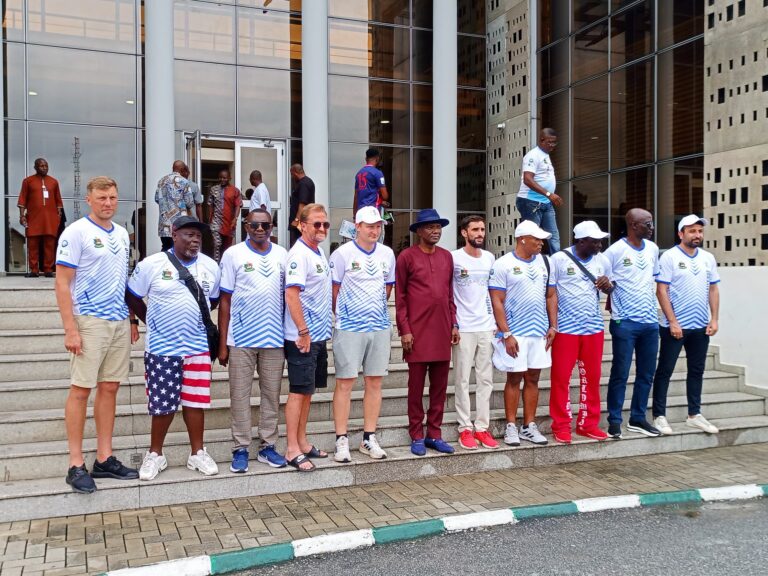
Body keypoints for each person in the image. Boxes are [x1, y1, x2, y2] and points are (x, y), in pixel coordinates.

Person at [55, 176, 138, 493]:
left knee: (110, 387)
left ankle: (104, 458)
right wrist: (70, 329)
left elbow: (122, 279)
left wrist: (131, 319)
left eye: (113, 197)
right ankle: (75, 464)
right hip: (89, 321)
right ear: (88, 200)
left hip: (117, 320)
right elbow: (62, 282)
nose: (108, 203)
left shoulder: (121, 234)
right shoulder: (76, 232)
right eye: (102, 198)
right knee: (80, 390)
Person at [126, 216, 221, 481]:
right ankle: (155, 454)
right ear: (174, 234)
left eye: (198, 236)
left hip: (198, 347)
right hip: (162, 348)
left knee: (195, 402)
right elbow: (132, 295)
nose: (195, 241)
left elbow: (212, 301)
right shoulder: (152, 264)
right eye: (189, 235)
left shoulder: (210, 266)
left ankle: (197, 453)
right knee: (163, 404)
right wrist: (150, 320)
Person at [218, 209, 288, 472]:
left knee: (271, 395)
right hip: (241, 339)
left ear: (272, 227)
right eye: (254, 225)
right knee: (239, 396)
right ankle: (241, 448)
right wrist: (223, 343)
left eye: (265, 225)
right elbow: (225, 300)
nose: (260, 229)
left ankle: (267, 446)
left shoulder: (282, 254)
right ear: (246, 226)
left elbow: (289, 297)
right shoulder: (233, 254)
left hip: (274, 339)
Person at [329, 206, 395, 462]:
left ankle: (369, 437)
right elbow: (334, 290)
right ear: (357, 227)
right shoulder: (342, 254)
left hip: (379, 326)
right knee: (345, 383)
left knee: (375, 382)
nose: (374, 231)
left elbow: (387, 287)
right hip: (349, 327)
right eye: (369, 226)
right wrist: (346, 314)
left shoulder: (387, 254)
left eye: (378, 226)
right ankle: (341, 439)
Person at [396, 209, 459, 456]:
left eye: (438, 227)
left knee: (439, 388)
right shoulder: (406, 257)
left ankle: (434, 433)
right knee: (415, 388)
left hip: (442, 330)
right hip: (416, 332)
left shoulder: (447, 257)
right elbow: (400, 297)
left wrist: (454, 324)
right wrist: (404, 330)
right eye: (430, 227)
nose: (435, 231)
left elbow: (449, 294)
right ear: (419, 231)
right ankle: (416, 435)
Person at [490, 220, 557, 447]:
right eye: (537, 239)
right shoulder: (503, 264)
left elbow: (551, 295)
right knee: (514, 378)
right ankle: (511, 426)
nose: (541, 243)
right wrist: (506, 333)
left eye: (542, 239)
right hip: (515, 332)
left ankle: (528, 426)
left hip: (539, 332)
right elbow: (497, 301)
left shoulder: (546, 262)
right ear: (522, 239)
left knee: (533, 378)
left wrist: (553, 326)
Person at [652, 215, 721, 435]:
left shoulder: (708, 258)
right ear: (681, 233)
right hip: (674, 327)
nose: (697, 235)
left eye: (699, 231)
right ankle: (659, 416)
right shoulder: (669, 257)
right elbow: (661, 290)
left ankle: (694, 415)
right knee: (665, 370)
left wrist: (714, 319)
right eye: (692, 231)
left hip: (700, 326)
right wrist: (673, 322)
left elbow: (713, 289)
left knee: (697, 371)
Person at [548, 221, 613, 443]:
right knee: (561, 379)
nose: (600, 245)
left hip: (593, 328)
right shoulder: (558, 259)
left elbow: (611, 288)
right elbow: (551, 294)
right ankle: (561, 425)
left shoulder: (602, 260)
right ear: (581, 241)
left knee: (592, 378)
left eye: (601, 241)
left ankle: (588, 424)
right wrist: (553, 325)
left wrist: (608, 285)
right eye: (595, 241)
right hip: (566, 329)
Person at [604, 209, 661, 439]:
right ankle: (614, 421)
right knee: (620, 372)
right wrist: (608, 287)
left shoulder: (653, 249)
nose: (652, 227)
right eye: (648, 224)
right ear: (634, 225)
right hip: (624, 322)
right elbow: (604, 281)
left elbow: (651, 279)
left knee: (646, 373)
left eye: (652, 223)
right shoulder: (614, 251)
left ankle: (638, 418)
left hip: (650, 322)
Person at [283, 203, 332, 471]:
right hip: (302, 337)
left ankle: (302, 441)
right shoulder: (298, 254)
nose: (322, 228)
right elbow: (292, 295)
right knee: (298, 392)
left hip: (318, 336)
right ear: (302, 225)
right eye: (316, 224)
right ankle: (292, 448)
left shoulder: (318, 251)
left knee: (308, 392)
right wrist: (303, 331)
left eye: (325, 224)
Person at [451, 215, 498, 450]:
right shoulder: (454, 258)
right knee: (461, 379)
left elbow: (493, 293)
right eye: (475, 230)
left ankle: (481, 427)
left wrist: (496, 323)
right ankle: (464, 428)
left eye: (482, 229)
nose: (480, 233)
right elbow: (447, 293)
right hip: (464, 327)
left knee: (485, 379)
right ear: (464, 233)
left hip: (486, 327)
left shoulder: (489, 258)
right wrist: (453, 324)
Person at [516, 128, 562, 254]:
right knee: (531, 234)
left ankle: (557, 261)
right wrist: (549, 194)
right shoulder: (533, 155)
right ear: (541, 140)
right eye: (549, 142)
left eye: (554, 142)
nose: (552, 145)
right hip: (530, 201)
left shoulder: (545, 155)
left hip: (546, 202)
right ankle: (528, 259)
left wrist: (548, 196)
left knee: (553, 235)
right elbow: (527, 179)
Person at [19, 158, 63, 277]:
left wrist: (58, 216)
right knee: (32, 244)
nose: (44, 168)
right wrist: (22, 215)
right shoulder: (28, 181)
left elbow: (58, 200)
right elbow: (22, 199)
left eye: (46, 166)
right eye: (41, 166)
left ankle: (48, 269)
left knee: (50, 245)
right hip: (33, 218)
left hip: (50, 219)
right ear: (35, 167)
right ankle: (34, 270)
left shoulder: (54, 182)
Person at [155, 160, 195, 251]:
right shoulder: (184, 182)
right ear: (182, 169)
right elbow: (189, 203)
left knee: (166, 248)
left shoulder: (161, 181)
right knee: (178, 250)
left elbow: (157, 199)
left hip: (164, 224)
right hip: (179, 224)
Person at [207, 169, 242, 262]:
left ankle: (225, 264)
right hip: (216, 221)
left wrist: (235, 219)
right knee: (217, 244)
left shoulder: (235, 190)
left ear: (229, 178)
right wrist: (210, 218)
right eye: (220, 177)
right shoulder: (213, 189)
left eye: (225, 178)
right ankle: (216, 264)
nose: (222, 179)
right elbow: (210, 204)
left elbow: (238, 205)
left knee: (227, 247)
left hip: (229, 223)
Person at [353, 148, 389, 214]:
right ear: (377, 158)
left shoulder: (358, 174)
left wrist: (354, 215)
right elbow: (385, 196)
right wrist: (381, 200)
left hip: (360, 212)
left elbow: (356, 197)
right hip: (372, 211)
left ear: (366, 159)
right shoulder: (377, 173)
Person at [288, 164, 315, 246]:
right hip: (303, 223)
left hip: (300, 224)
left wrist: (296, 220)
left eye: (292, 174)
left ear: (295, 173)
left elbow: (302, 204)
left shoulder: (303, 183)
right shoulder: (307, 182)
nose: (292, 177)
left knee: (297, 246)